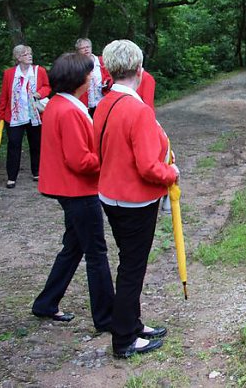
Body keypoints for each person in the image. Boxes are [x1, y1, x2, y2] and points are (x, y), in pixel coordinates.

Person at [93, 39, 179, 358]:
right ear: (139, 70)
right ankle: (124, 339)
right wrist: (171, 174)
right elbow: (148, 167)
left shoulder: (104, 103)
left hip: (111, 196)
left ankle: (133, 323)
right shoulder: (138, 109)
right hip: (134, 200)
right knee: (132, 268)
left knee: (129, 264)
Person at [32, 53, 114, 331]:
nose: (92, 78)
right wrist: (108, 158)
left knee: (74, 247)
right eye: (89, 74)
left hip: (67, 189)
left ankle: (46, 303)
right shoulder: (67, 110)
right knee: (96, 253)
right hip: (78, 191)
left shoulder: (59, 104)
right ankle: (106, 318)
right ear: (78, 79)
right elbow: (79, 161)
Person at [0, 44, 50, 189]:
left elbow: (47, 87)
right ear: (18, 57)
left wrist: (40, 93)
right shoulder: (9, 73)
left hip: (34, 114)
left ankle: (37, 172)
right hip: (15, 115)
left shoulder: (39, 71)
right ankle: (11, 177)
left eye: (30, 53)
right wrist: (1, 113)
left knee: (36, 143)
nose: (30, 56)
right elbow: (4, 95)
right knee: (14, 144)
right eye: (26, 54)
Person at [75, 38, 111, 116]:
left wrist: (107, 82)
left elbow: (110, 77)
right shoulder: (77, 65)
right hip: (85, 104)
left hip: (102, 101)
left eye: (87, 47)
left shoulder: (102, 61)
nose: (86, 49)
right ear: (78, 51)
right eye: (82, 48)